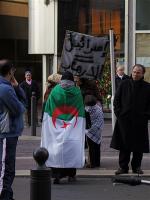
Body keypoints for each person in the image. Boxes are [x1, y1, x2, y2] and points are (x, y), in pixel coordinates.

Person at [41, 71, 85, 184]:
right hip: (72, 125)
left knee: (56, 148)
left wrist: (45, 120)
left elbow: (48, 106)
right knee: (71, 148)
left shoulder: (55, 91)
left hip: (55, 124)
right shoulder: (77, 92)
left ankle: (56, 174)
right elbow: (80, 108)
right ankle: (71, 174)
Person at [110, 64, 150, 175]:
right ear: (131, 72)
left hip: (140, 121)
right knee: (124, 145)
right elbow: (116, 100)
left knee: (139, 146)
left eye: (138, 72)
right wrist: (119, 113)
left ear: (142, 74)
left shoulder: (147, 87)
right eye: (134, 72)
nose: (135, 74)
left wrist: (146, 115)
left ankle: (136, 167)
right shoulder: (124, 84)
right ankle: (123, 167)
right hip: (124, 120)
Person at [0, 59, 26, 200]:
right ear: (10, 72)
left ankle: (7, 195)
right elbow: (20, 108)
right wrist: (17, 88)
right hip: (7, 133)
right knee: (7, 168)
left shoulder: (5, 86)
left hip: (5, 132)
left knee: (6, 167)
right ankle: (5, 196)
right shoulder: (5, 89)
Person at [84, 95, 104, 168]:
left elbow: (87, 120)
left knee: (91, 148)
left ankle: (92, 163)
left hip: (90, 131)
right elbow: (101, 119)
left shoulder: (87, 110)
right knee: (97, 146)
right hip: (98, 130)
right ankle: (97, 162)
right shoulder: (98, 108)